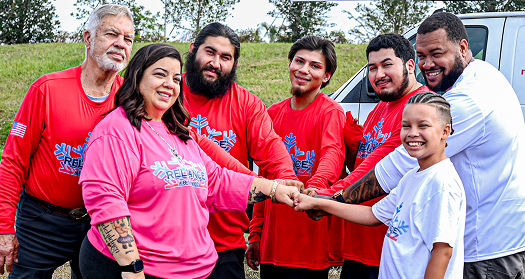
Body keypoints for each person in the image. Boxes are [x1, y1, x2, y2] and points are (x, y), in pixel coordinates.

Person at [0, 4, 253, 278]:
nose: (120, 44)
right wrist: (3, 228)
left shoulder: (133, 95)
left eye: (128, 38)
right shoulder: (47, 90)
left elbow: (191, 142)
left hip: (103, 225)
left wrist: (259, 182)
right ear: (88, 38)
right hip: (46, 219)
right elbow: (14, 161)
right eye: (111, 34)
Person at [337, 12, 525, 279]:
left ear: (463, 48)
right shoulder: (482, 74)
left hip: (486, 246)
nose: (427, 64)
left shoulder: (468, 99)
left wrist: (337, 198)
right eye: (422, 55)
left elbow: (401, 163)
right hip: (497, 234)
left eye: (437, 53)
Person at [76, 43, 302, 279]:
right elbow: (107, 201)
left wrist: (275, 189)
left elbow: (217, 181)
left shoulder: (177, 133)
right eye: (160, 74)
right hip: (136, 268)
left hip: (194, 269)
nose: (170, 84)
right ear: (137, 77)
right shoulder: (117, 131)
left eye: (176, 79)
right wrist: (131, 268)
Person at [294, 92, 465, 279]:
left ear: (445, 131)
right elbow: (372, 214)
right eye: (406, 126)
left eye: (423, 125)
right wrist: (318, 202)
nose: (412, 133)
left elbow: (443, 251)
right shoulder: (412, 177)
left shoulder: (442, 183)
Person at [179, 22, 298, 279]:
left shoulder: (246, 103)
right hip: (172, 241)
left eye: (225, 57)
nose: (215, 63)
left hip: (224, 243)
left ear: (234, 64)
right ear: (192, 49)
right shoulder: (168, 94)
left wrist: (287, 177)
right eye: (209, 52)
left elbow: (270, 145)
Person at [312, 33, 433, 279]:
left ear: (410, 65)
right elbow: (363, 158)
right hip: (360, 246)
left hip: (390, 251)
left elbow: (376, 166)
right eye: (373, 68)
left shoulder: (418, 109)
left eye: (387, 65)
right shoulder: (382, 105)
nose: (379, 75)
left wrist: (328, 197)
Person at [247, 36, 346, 279]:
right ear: (290, 64)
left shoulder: (331, 111)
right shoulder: (272, 113)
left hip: (310, 243)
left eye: (315, 65)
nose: (304, 70)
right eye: (299, 61)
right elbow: (264, 176)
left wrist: (316, 186)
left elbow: (333, 153)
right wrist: (256, 233)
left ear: (326, 76)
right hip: (273, 243)